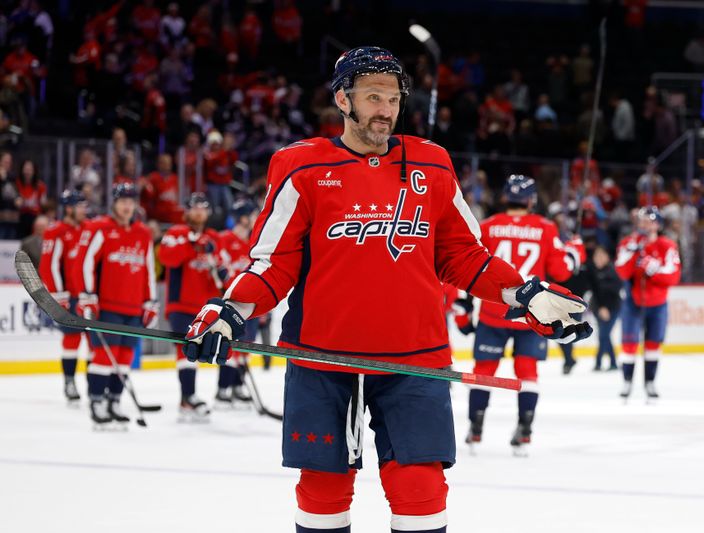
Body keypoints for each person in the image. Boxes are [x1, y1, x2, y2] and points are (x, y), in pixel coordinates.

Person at [179, 47, 591, 533]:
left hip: (415, 360)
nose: (386, 110)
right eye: (374, 97)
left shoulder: (432, 164)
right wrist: (231, 310)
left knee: (421, 492)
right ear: (343, 100)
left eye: (393, 99)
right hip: (323, 358)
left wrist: (524, 294)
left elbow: (464, 254)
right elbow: (274, 264)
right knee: (322, 491)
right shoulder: (300, 167)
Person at [457, 174, 581, 456]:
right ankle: (525, 431)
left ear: (505, 197)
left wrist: (463, 310)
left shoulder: (487, 227)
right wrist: (574, 251)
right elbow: (561, 271)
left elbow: (468, 267)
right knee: (528, 373)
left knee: (483, 372)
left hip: (493, 311)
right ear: (531, 200)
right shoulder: (546, 228)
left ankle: (475, 430)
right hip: (531, 315)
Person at [74, 183, 158, 426]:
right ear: (114, 203)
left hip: (133, 308)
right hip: (108, 306)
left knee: (123, 358)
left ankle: (114, 401)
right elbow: (84, 262)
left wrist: (151, 302)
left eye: (131, 201)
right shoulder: (100, 228)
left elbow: (148, 271)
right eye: (123, 201)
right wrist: (87, 296)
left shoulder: (143, 233)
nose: (127, 206)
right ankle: (97, 402)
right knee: (102, 357)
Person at [157, 192, 224, 420]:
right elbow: (166, 257)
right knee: (185, 350)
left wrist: (223, 272)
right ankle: (188, 397)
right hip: (180, 303)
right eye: (195, 207)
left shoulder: (213, 237)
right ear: (187, 211)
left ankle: (196, 396)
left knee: (201, 351)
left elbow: (221, 266)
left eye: (203, 208)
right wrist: (192, 244)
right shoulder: (177, 233)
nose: (199, 212)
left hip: (206, 307)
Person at [615, 206, 681, 401]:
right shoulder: (628, 243)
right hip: (633, 303)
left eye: (650, 221)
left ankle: (650, 382)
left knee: (653, 345)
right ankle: (627, 382)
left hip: (658, 304)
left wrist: (653, 269)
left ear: (657, 224)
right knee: (629, 344)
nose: (645, 225)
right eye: (642, 220)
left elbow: (673, 276)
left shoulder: (667, 246)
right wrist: (633, 253)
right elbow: (621, 271)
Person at [39, 190, 90, 401]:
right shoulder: (56, 231)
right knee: (71, 339)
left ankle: (95, 384)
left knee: (95, 341)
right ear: (68, 208)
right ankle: (69, 382)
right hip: (69, 297)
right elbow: (48, 266)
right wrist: (59, 295)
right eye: (79, 206)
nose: (83, 210)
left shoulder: (89, 229)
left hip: (89, 296)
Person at [215, 198, 260, 406]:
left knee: (246, 345)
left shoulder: (254, 244)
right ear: (243, 218)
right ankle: (222, 390)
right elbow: (220, 267)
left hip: (249, 303)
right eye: (252, 215)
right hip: (231, 302)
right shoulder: (224, 238)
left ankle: (237, 387)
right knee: (229, 345)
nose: (255, 219)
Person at [587, 245, 623, 371]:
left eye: (602, 255)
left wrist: (605, 307)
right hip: (598, 308)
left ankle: (601, 362)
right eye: (597, 256)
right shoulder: (592, 272)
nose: (599, 258)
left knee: (604, 335)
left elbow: (614, 290)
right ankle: (609, 363)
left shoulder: (612, 271)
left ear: (607, 257)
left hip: (612, 308)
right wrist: (600, 308)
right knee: (603, 335)